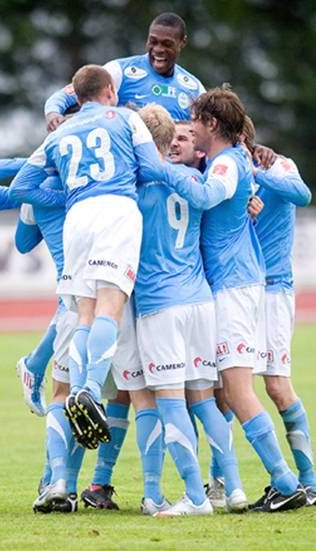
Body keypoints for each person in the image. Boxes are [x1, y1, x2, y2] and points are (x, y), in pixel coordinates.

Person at [160, 86, 307, 512]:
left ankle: (285, 481)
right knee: (227, 390)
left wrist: (159, 168)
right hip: (235, 285)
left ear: (211, 123)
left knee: (240, 390)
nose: (191, 129)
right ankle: (232, 485)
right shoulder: (227, 160)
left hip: (234, 287)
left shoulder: (226, 162)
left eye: (195, 121)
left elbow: (209, 196)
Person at [11, 65, 165, 451]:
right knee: (110, 308)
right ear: (110, 90)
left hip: (77, 218)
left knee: (85, 312)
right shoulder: (128, 118)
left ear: (77, 98)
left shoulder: (60, 132)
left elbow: (21, 186)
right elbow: (152, 168)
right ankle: (91, 390)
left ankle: (79, 387)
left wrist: (66, 196)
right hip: (117, 210)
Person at [132, 105, 250, 516]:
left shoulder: (137, 186)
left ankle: (196, 498)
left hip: (159, 305)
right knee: (203, 401)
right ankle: (233, 488)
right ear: (170, 140)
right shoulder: (195, 178)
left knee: (169, 403)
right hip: (200, 300)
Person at [243, 118, 316, 505]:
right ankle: (222, 484)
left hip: (272, 290)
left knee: (275, 385)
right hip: (237, 290)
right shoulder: (217, 170)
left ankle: (309, 481)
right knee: (226, 389)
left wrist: (259, 173)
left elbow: (301, 194)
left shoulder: (276, 164)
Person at [44, 12, 204, 130]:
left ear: (182, 42)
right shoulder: (119, 71)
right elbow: (65, 95)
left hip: (171, 165)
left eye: (166, 44)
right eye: (153, 42)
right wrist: (53, 114)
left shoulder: (194, 88)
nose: (158, 49)